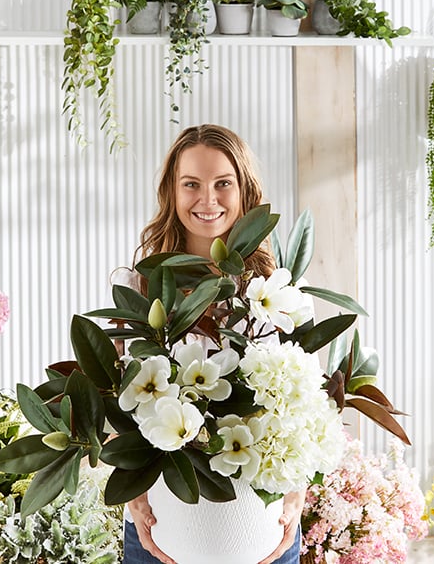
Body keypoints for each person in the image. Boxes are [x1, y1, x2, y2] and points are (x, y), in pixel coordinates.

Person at [121, 124, 305, 564]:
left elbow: (305, 404)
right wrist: (135, 493)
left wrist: (297, 494)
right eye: (192, 184)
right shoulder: (140, 285)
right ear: (172, 190)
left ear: (243, 189)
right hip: (160, 533)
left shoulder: (275, 290)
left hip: (262, 530)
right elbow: (114, 397)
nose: (208, 199)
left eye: (223, 183)